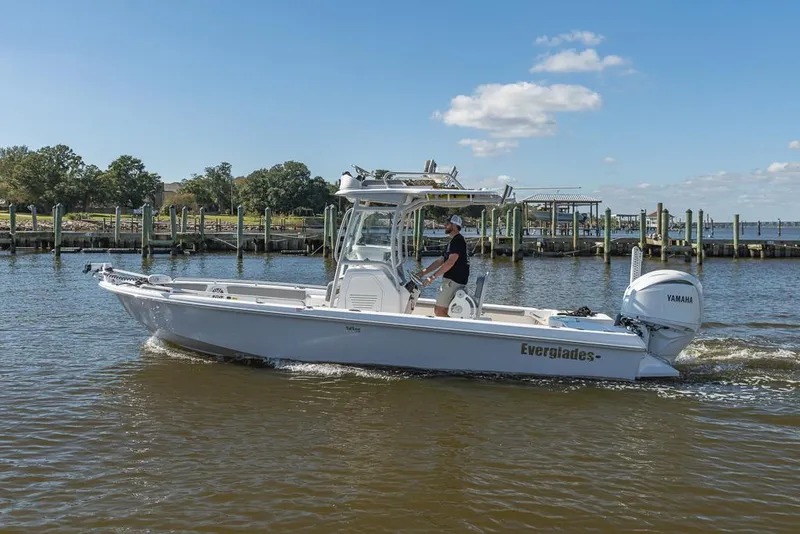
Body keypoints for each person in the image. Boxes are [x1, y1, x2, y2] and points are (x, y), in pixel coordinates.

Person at [416, 214, 469, 317]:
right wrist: (422, 273)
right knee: (442, 310)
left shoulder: (457, 241)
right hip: (453, 281)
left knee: (439, 310)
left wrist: (432, 277)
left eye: (447, 224)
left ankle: (453, 332)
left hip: (453, 281)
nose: (445, 226)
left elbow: (450, 262)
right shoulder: (454, 241)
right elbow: (440, 261)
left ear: (454, 225)